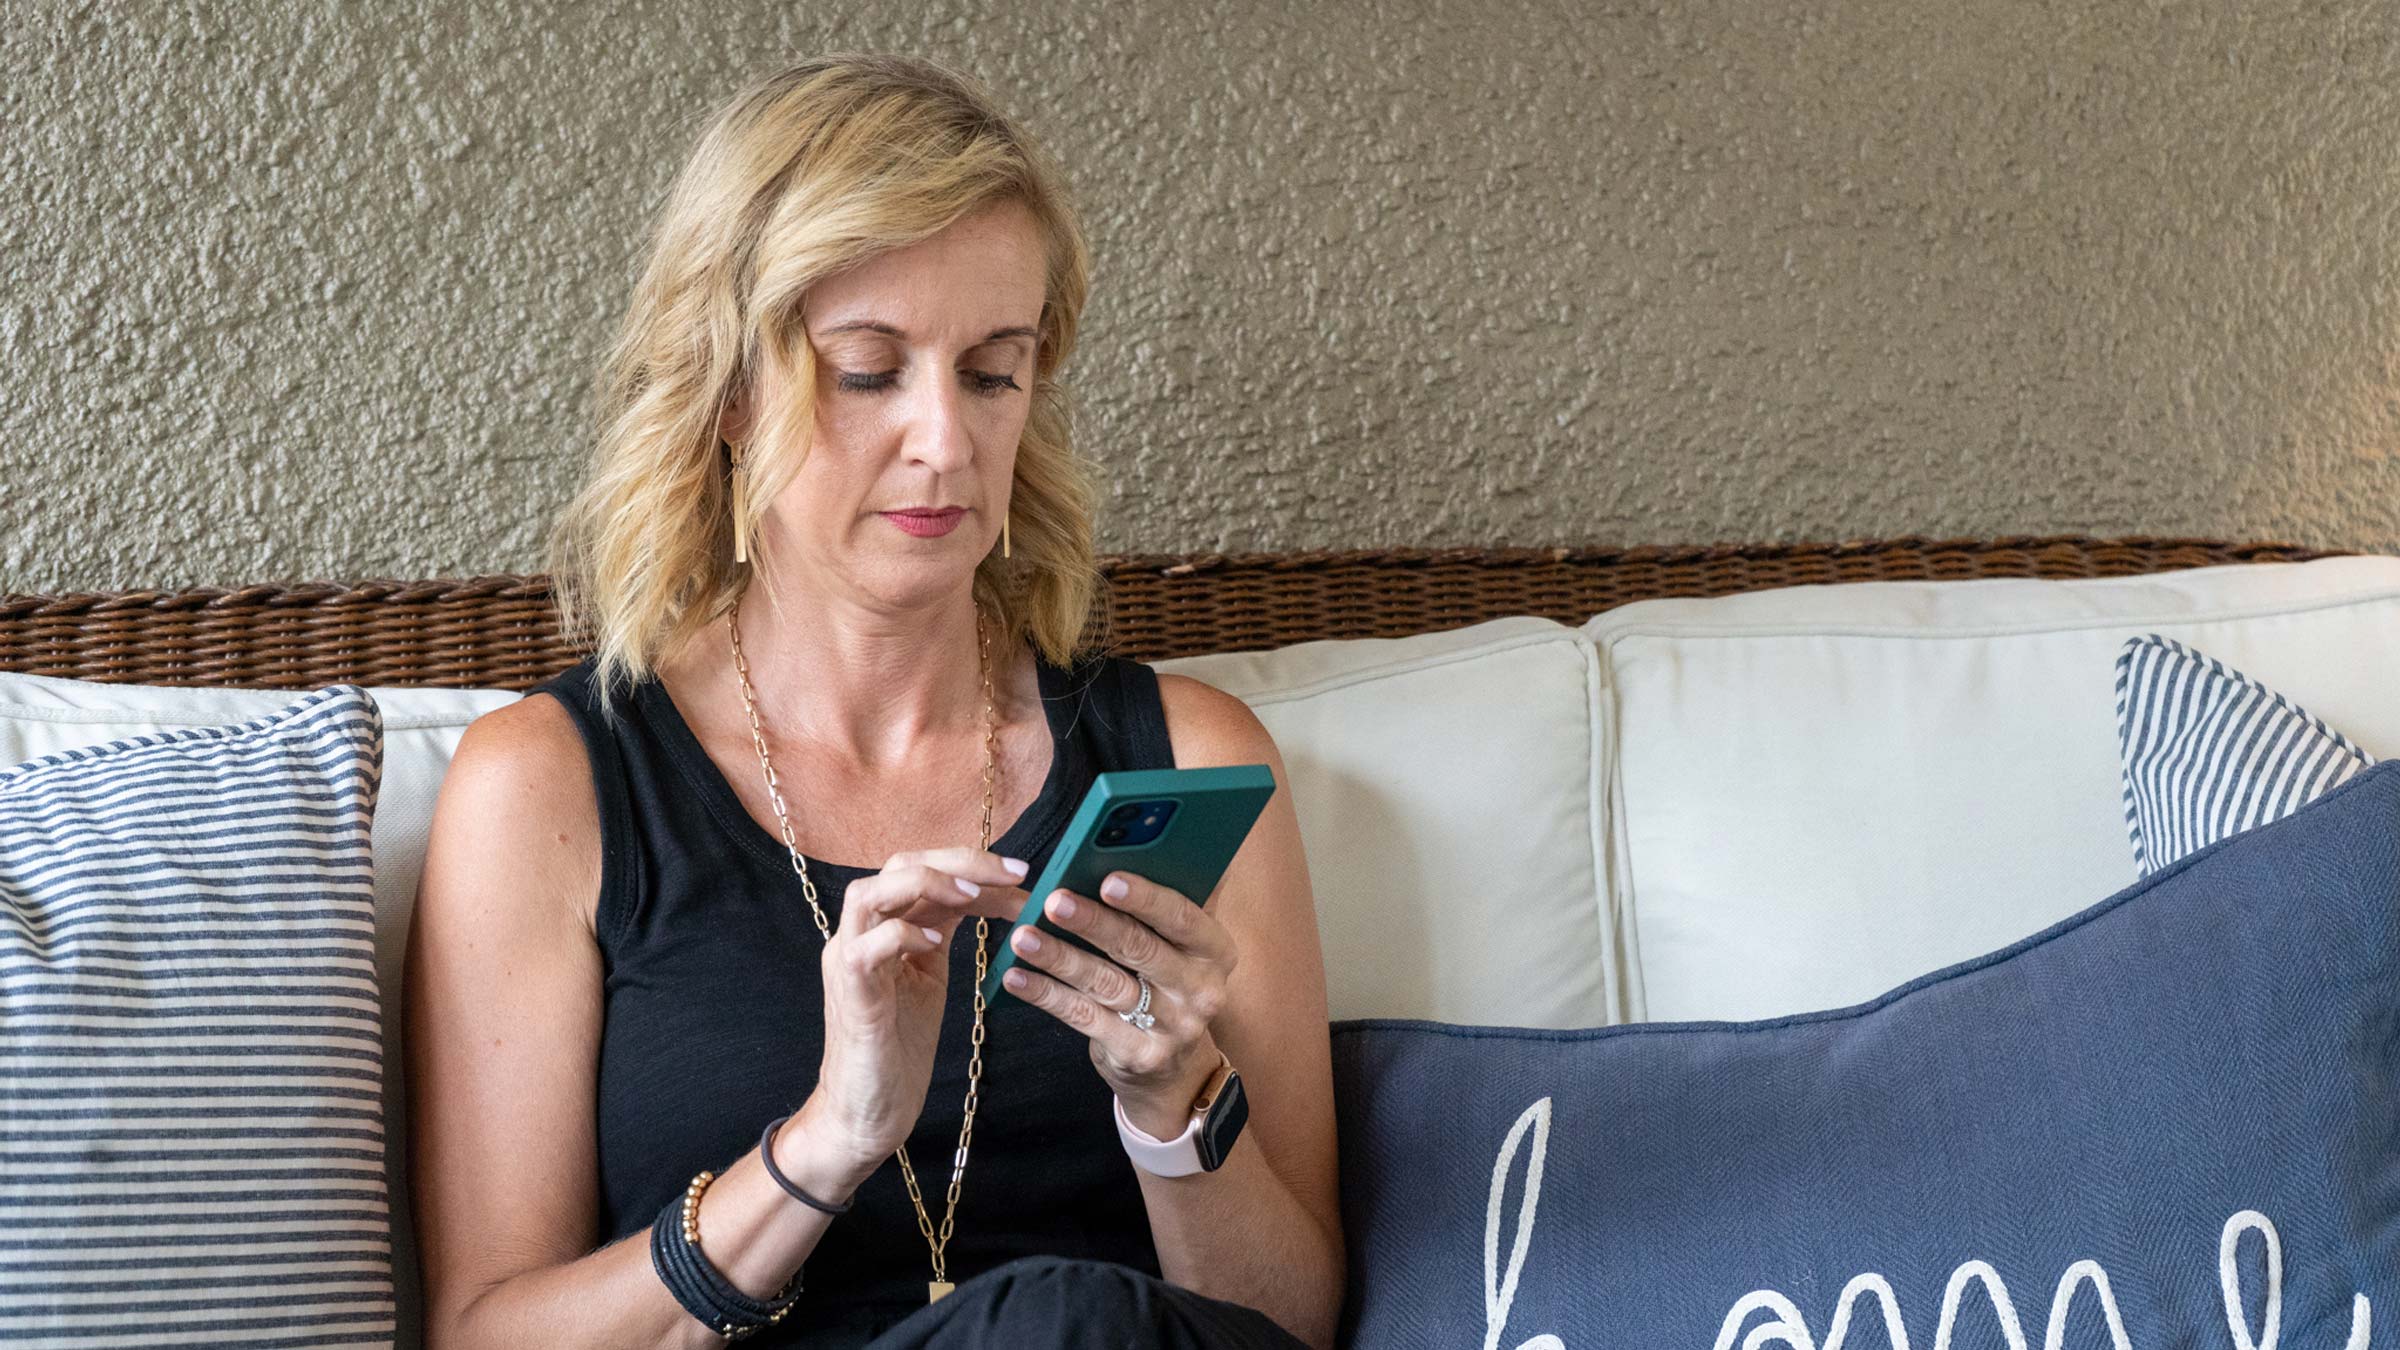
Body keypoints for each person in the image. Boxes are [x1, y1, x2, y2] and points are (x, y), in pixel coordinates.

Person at [402, 52, 1343, 1349]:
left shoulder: (1184, 753)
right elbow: (486, 1335)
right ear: (731, 393)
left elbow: (1294, 1321)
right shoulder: (552, 789)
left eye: (992, 371)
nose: (946, 441)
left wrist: (1174, 1101)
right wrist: (826, 1142)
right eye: (867, 370)